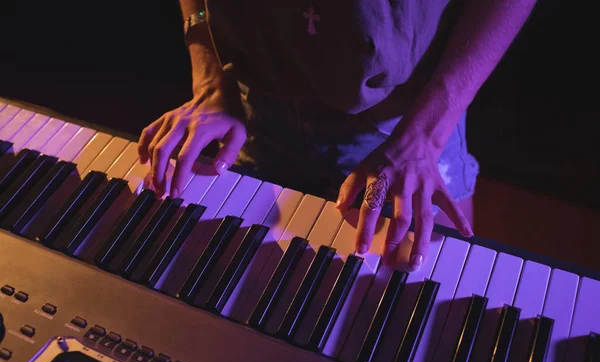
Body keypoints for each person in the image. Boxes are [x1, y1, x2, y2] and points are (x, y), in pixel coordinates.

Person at [137, 0, 536, 271]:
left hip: (404, 128)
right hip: (251, 110)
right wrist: (209, 78)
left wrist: (426, 135)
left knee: (412, 296)